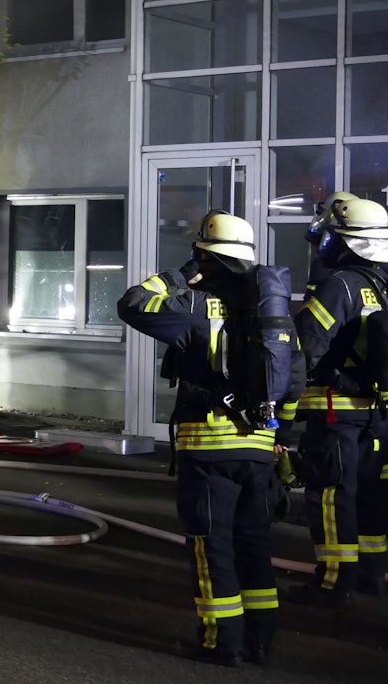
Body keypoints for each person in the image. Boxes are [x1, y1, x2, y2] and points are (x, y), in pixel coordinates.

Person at [117, 211, 286, 667]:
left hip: (209, 447)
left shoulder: (193, 306)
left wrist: (178, 274)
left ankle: (221, 641)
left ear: (203, 257)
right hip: (259, 446)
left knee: (212, 545)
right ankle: (260, 640)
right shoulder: (269, 309)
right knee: (254, 543)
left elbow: (133, 303)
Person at [290, 197, 388, 606]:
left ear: (343, 241)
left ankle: (333, 583)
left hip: (336, 409)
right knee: (369, 495)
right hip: (376, 411)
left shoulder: (339, 285)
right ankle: (371, 574)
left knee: (331, 495)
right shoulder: (385, 284)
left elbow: (305, 343)